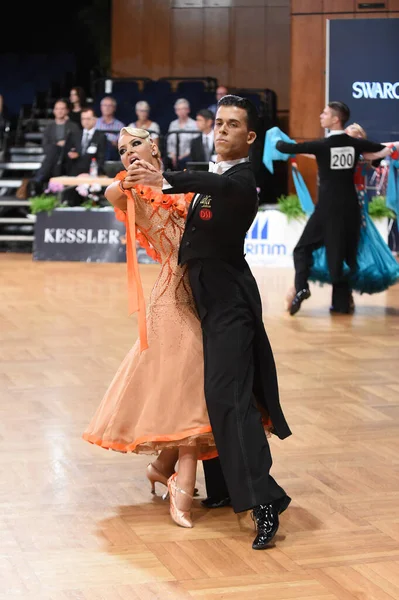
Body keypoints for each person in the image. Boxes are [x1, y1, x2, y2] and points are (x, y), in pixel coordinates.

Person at [128, 95, 292, 550]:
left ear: (250, 136)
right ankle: (222, 488)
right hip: (198, 300)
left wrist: (167, 178)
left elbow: (210, 186)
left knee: (230, 397)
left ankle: (264, 504)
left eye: (232, 125)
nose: (221, 131)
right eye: (218, 123)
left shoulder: (244, 180)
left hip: (229, 303)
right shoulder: (213, 175)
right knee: (211, 393)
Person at [82, 127, 219, 529]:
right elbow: (110, 193)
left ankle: (162, 466)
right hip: (169, 301)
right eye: (123, 150)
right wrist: (134, 178)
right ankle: (182, 482)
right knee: (191, 391)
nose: (130, 153)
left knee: (187, 390)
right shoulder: (131, 192)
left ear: (155, 145)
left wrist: (164, 180)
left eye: (136, 144)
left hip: (205, 297)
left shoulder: (186, 184)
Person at [275, 101, 391, 316]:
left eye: (325, 113)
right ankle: (341, 304)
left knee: (302, 249)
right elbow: (381, 149)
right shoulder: (356, 145)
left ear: (335, 119)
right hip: (351, 209)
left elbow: (288, 147)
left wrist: (275, 140)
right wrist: (386, 150)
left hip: (328, 208)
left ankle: (301, 287)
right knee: (343, 258)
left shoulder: (322, 145)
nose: (321, 115)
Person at [28, 98, 81, 196]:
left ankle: (40, 177)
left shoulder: (73, 127)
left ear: (66, 111)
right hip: (54, 158)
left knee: (55, 151)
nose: (60, 111)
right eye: (57, 109)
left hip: (67, 158)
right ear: (54, 111)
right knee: (54, 150)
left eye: (62, 108)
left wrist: (64, 145)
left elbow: (77, 145)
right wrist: (57, 145)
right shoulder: (49, 127)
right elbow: (45, 146)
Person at [61, 107, 108, 206]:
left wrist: (91, 174)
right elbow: (66, 155)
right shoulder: (74, 135)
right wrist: (71, 155)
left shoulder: (101, 137)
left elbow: (101, 159)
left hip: (92, 174)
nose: (85, 121)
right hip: (74, 174)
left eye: (88, 119)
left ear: (95, 120)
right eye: (83, 119)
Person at [166, 98, 198, 169]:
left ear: (188, 110)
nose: (181, 111)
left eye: (183, 109)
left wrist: (181, 157)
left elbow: (195, 145)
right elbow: (169, 143)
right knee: (166, 161)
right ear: (176, 111)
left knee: (184, 162)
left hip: (188, 156)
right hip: (173, 156)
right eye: (178, 109)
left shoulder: (194, 124)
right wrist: (173, 155)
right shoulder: (172, 124)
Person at [96, 95, 125, 161]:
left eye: (110, 106)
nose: (107, 108)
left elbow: (122, 146)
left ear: (114, 108)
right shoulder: (95, 123)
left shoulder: (120, 126)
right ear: (101, 107)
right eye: (105, 105)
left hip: (112, 154)